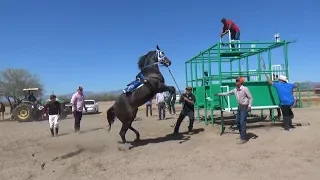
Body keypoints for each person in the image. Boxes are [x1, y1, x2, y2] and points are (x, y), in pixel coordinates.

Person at [215, 77, 253, 144]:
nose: (236, 82)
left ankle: (243, 138)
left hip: (245, 106)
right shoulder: (235, 90)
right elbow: (228, 93)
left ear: (241, 82)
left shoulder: (245, 89)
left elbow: (250, 98)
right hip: (240, 107)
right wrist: (219, 94)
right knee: (237, 121)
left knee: (242, 122)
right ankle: (242, 134)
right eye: (236, 81)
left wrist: (249, 106)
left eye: (238, 81)